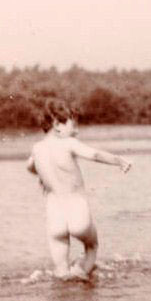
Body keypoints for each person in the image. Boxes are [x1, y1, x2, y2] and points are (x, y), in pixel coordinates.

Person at [27, 98, 132, 278]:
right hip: (76, 209)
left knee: (60, 269)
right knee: (92, 247)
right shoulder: (68, 143)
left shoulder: (37, 148)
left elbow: (30, 167)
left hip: (55, 214)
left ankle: (67, 283)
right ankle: (82, 277)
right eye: (73, 126)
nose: (77, 130)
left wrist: (44, 175)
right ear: (57, 124)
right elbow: (95, 154)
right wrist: (119, 161)